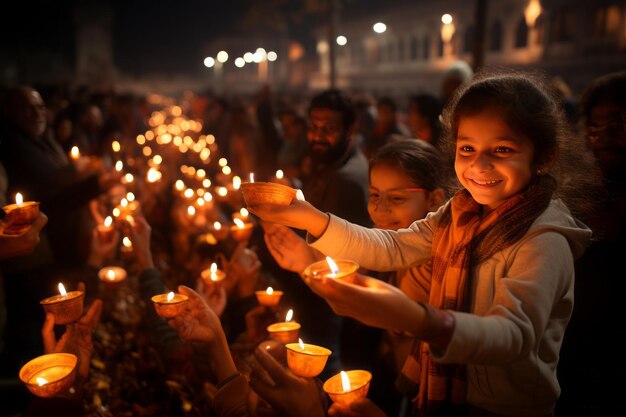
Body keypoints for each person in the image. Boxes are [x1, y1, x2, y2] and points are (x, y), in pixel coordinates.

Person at [248, 71, 602, 417]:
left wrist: (421, 321)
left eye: (502, 149)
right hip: (442, 395)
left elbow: (514, 335)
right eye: (467, 148)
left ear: (544, 157)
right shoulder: (459, 213)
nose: (479, 164)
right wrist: (308, 216)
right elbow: (392, 247)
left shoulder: (545, 239)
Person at [264, 138, 451, 416]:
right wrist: (303, 261)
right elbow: (351, 281)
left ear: (434, 199)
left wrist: (307, 257)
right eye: (375, 195)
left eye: (396, 198)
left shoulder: (436, 256)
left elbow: (365, 302)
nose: (381, 209)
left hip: (434, 386)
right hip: (397, 374)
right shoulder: (384, 245)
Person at [255, 88, 371, 380]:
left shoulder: (346, 179)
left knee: (324, 370)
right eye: (314, 127)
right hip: (314, 283)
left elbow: (343, 256)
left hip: (329, 298)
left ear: (349, 129)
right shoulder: (330, 164)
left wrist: (293, 242)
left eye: (329, 129)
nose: (318, 136)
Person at [555, 71, 626, 416]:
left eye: (618, 124)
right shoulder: (582, 193)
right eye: (595, 128)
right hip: (576, 356)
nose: (603, 139)